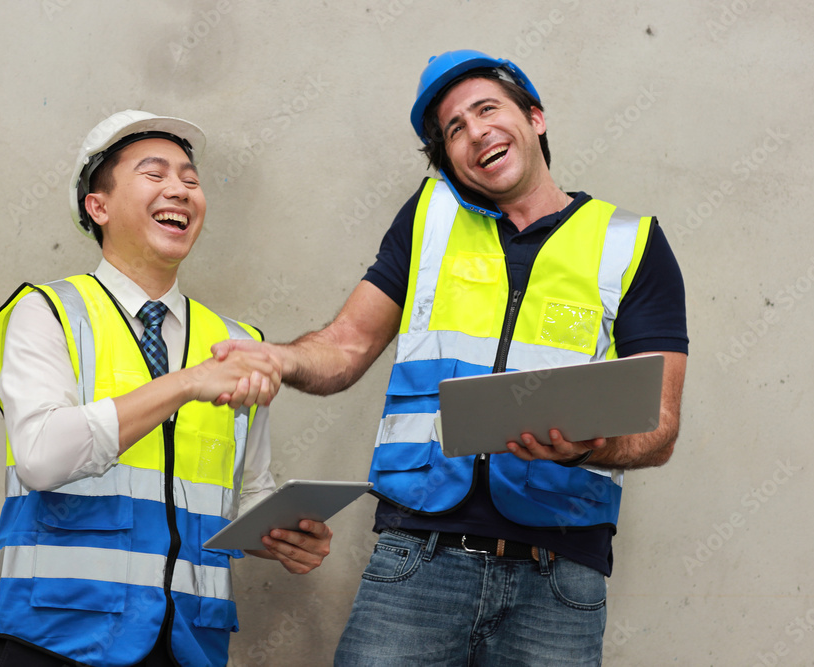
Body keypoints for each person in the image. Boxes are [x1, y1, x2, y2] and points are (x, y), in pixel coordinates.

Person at [213, 50, 688, 665]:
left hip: (560, 580)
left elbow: (660, 427)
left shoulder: (633, 243)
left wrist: (587, 447)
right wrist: (279, 358)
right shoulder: (429, 218)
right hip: (418, 559)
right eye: (453, 130)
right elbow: (347, 346)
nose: (473, 132)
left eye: (486, 109)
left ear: (535, 119)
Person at [0, 109, 332, 667]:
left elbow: (245, 490)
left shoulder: (238, 342)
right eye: (154, 174)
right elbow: (42, 458)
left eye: (191, 180)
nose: (180, 189)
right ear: (97, 207)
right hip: (58, 638)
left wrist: (278, 533)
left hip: (189, 644)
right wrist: (187, 382)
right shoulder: (47, 313)